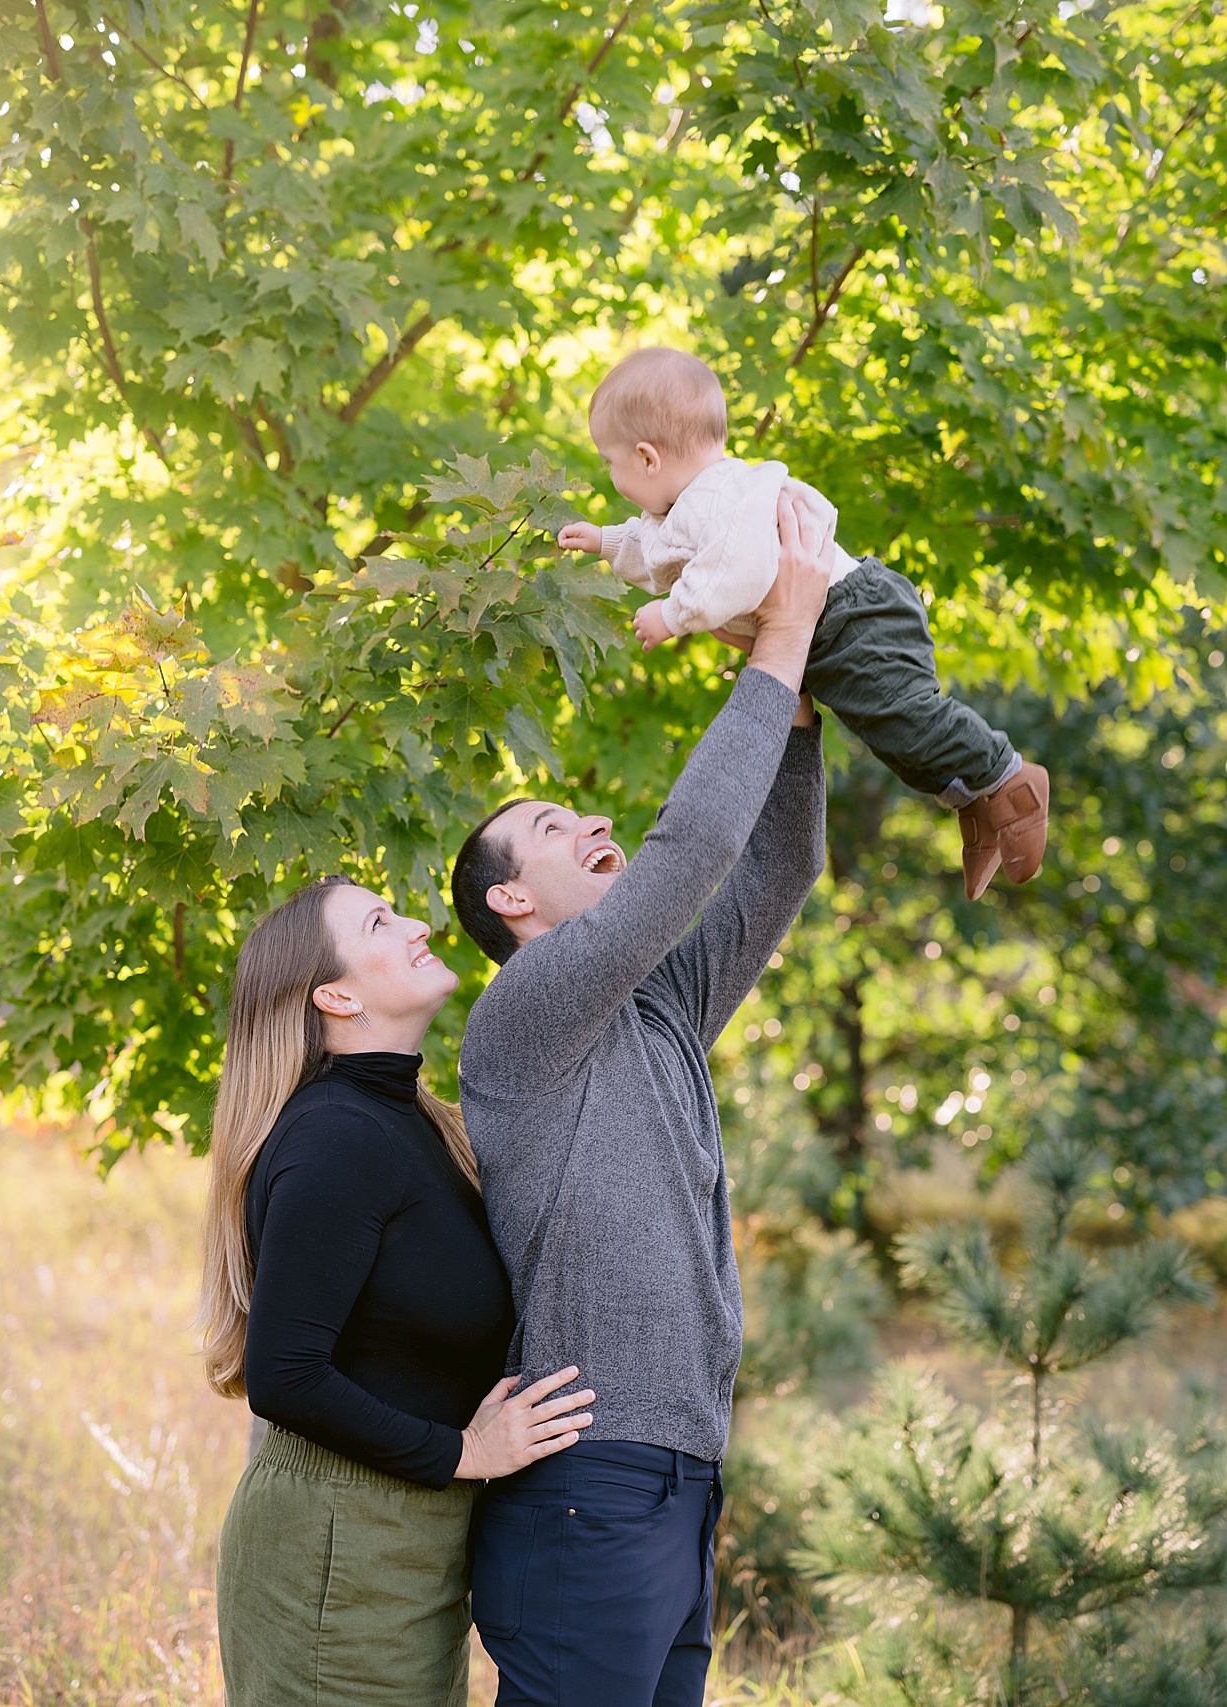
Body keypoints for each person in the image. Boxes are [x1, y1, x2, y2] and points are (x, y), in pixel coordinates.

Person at [450, 491, 830, 1706]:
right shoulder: (522, 1018)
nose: (594, 819)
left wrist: (807, 694)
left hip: (678, 1479)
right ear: (513, 906)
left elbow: (774, 864)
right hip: (585, 1492)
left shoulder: (661, 1006)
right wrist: (774, 641)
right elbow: (690, 850)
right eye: (556, 829)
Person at [199, 874, 594, 1707]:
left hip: (405, 1542)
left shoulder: (416, 1120)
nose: (417, 922)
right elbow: (285, 1373)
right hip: (339, 1546)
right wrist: (467, 1452)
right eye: (381, 920)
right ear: (335, 994)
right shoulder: (335, 1134)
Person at [556, 344, 1049, 901]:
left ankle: (1010, 780)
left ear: (647, 458)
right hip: (826, 630)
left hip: (853, 615)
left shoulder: (718, 498)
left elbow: (735, 568)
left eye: (610, 462)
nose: (611, 476)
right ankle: (974, 801)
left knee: (904, 714)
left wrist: (673, 615)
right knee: (884, 732)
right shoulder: (682, 506)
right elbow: (655, 547)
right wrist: (605, 541)